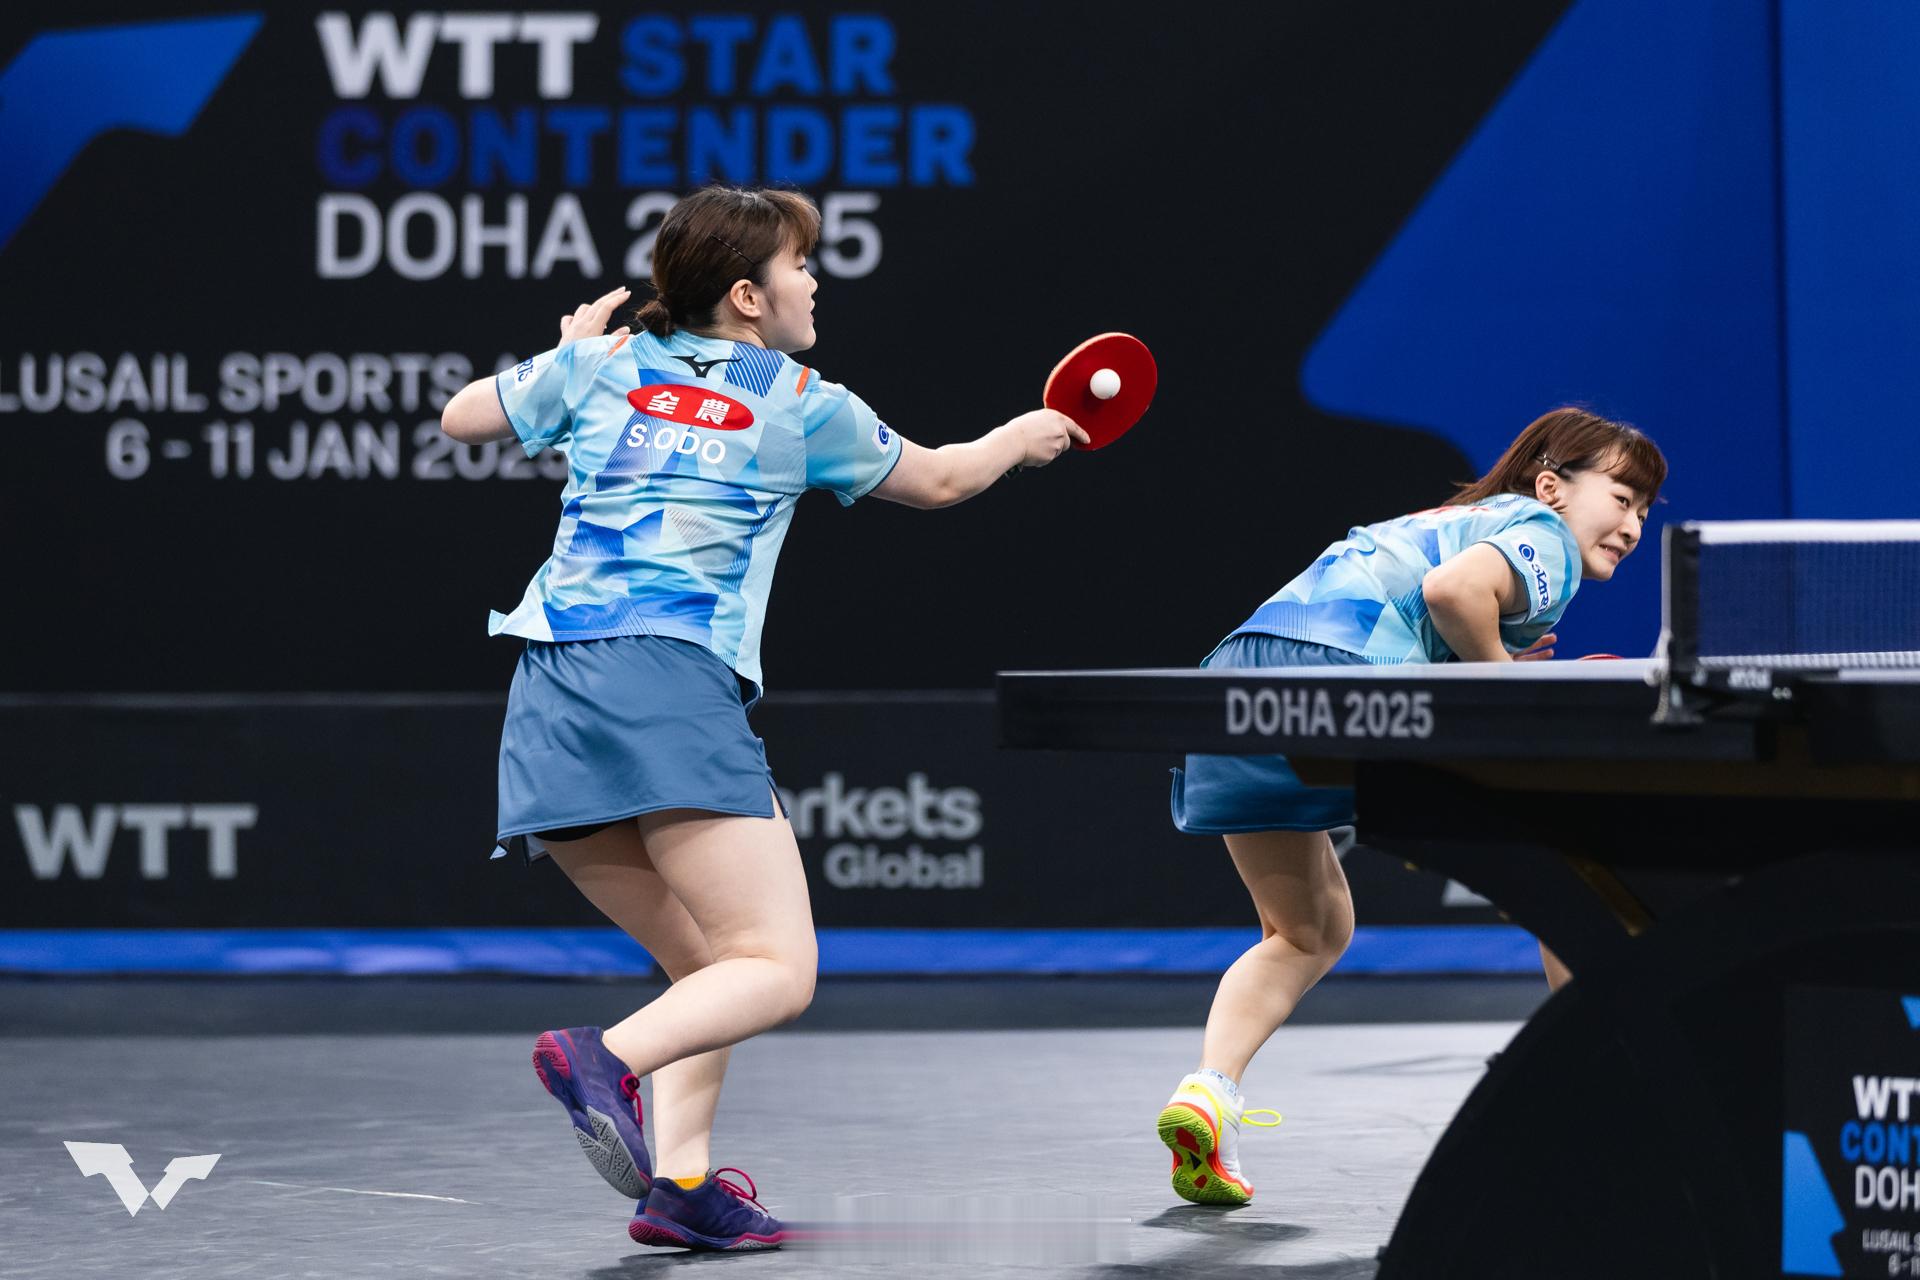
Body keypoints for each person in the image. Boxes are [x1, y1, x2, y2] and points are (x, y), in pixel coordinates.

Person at [438, 184, 1088, 1250]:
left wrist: (564, 354)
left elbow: (463, 416)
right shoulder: (798, 401)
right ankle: (605, 1059)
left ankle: (682, 1185)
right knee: (779, 967)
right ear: (748, 295)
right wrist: (1022, 434)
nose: (814, 281)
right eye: (799, 265)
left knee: (714, 968)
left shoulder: (605, 363)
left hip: (549, 692)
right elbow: (939, 481)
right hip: (668, 679)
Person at [1157, 408, 1667, 1207]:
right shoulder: (1546, 537)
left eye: (1645, 511)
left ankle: (1208, 1092)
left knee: (1306, 931)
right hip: (1351, 680)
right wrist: (1499, 679)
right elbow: (1453, 591)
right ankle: (1601, 1078)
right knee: (1567, 858)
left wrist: (1482, 655)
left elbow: (1447, 599)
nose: (1633, 525)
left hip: (1235, 685)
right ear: (1551, 488)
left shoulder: (1458, 521)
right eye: (1622, 497)